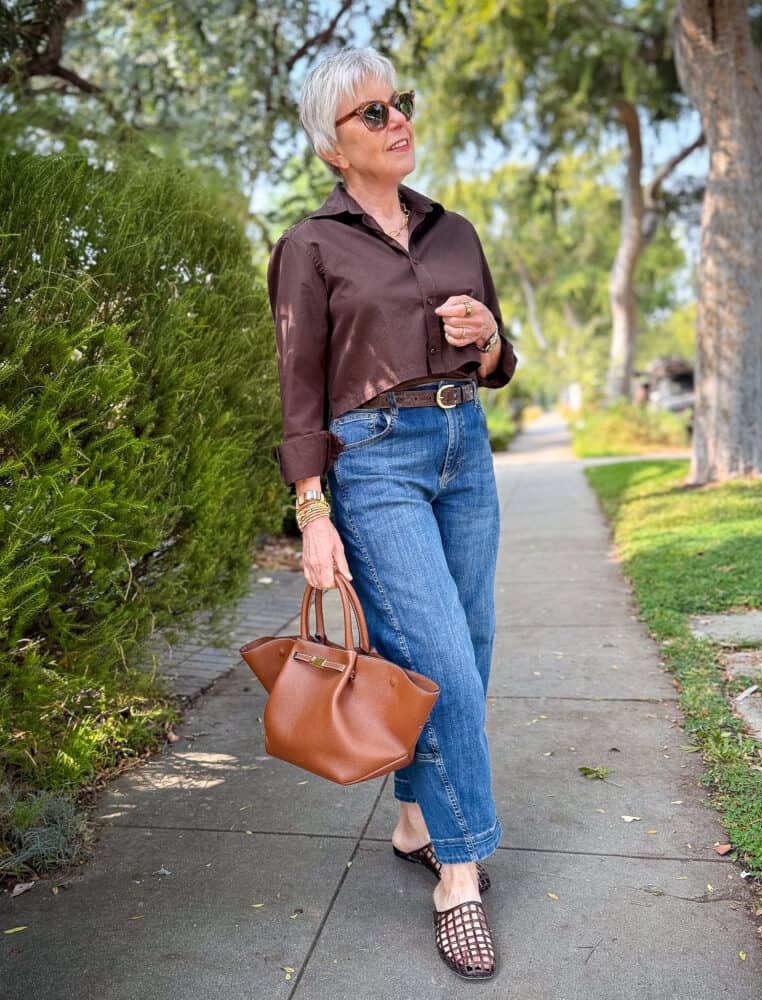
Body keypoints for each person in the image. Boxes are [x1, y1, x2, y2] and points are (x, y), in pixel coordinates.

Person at [267, 46, 517, 981]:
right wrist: (311, 513)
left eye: (399, 103)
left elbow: (498, 359)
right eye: (371, 115)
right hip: (373, 463)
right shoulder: (310, 246)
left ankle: (415, 820)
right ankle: (461, 873)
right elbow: (298, 391)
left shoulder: (455, 232)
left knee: (471, 647)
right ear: (334, 148)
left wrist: (488, 338)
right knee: (442, 661)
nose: (396, 121)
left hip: (466, 448)